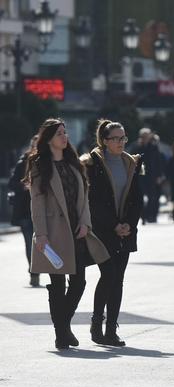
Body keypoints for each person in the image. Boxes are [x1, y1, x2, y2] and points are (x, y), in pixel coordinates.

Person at [23, 118, 109, 349]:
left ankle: (63, 326)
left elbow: (84, 199)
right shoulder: (40, 165)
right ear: (49, 139)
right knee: (58, 284)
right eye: (59, 133)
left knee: (79, 282)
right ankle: (62, 334)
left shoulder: (74, 163)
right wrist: (40, 235)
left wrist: (85, 223)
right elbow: (37, 204)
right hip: (53, 233)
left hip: (76, 231)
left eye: (65, 132)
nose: (65, 137)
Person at [82, 120, 143, 346]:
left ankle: (111, 329)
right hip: (103, 230)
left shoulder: (131, 163)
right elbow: (93, 201)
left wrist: (128, 224)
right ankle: (97, 323)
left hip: (125, 231)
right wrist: (113, 225)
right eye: (115, 138)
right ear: (105, 141)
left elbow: (136, 199)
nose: (120, 142)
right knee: (108, 274)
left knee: (118, 279)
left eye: (123, 138)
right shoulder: (92, 163)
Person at [8, 135, 39, 287]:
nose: (36, 148)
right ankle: (34, 273)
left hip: (44, 212)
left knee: (49, 244)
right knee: (30, 244)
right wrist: (24, 185)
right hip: (26, 211)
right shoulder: (22, 163)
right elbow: (12, 183)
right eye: (34, 145)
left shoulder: (49, 163)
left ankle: (56, 271)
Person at [130, 128, 163, 223]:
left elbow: (158, 162)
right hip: (140, 175)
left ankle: (151, 216)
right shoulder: (136, 146)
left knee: (152, 197)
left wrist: (159, 175)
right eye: (143, 136)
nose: (145, 138)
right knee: (140, 197)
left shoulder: (153, 147)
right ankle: (143, 216)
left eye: (147, 136)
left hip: (152, 175)